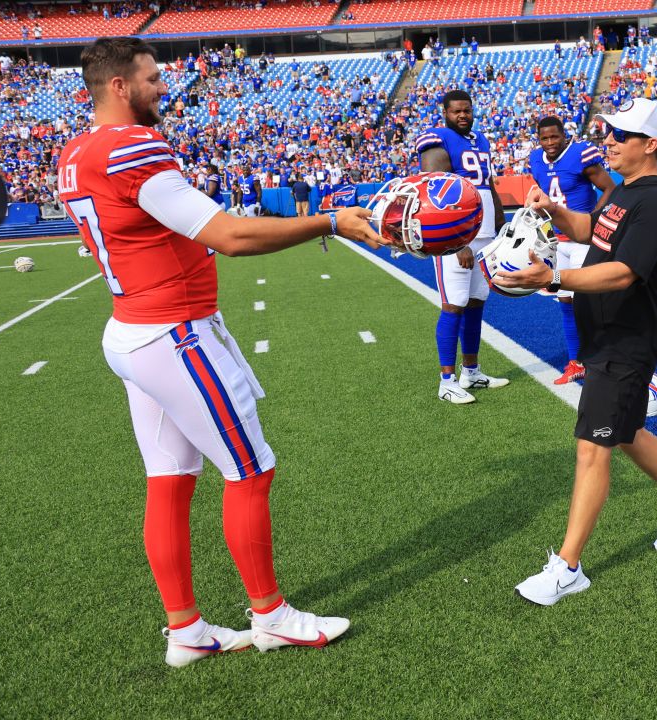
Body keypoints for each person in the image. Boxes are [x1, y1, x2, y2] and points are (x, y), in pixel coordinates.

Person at [55, 37, 388, 668]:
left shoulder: (76, 150)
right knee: (250, 470)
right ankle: (272, 616)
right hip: (174, 332)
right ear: (120, 86)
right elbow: (230, 236)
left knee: (170, 481)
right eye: (152, 77)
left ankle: (185, 629)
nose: (162, 87)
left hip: (130, 330)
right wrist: (328, 222)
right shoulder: (132, 145)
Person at [493, 98, 657, 606]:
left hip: (627, 338)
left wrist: (553, 278)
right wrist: (554, 211)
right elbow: (588, 233)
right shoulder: (622, 192)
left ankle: (568, 567)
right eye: (609, 132)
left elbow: (624, 271)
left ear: (652, 146)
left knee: (592, 445)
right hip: (604, 333)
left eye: (622, 135)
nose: (610, 141)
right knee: (626, 433)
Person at [415, 89, 509, 404]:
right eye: (457, 111)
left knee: (476, 302)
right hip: (456, 236)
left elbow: (488, 184)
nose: (463, 116)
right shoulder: (437, 138)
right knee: (453, 304)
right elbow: (434, 188)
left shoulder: (480, 139)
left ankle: (471, 371)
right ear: (445, 111)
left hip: (484, 234)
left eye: (467, 111)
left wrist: (500, 224)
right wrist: (455, 242)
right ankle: (446, 381)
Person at [529, 115, 616, 386]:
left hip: (582, 240)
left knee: (588, 301)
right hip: (557, 240)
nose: (550, 142)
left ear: (564, 135)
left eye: (555, 136)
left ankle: (603, 359)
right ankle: (576, 363)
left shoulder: (580, 153)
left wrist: (591, 220)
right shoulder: (535, 159)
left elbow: (610, 188)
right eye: (545, 138)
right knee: (566, 301)